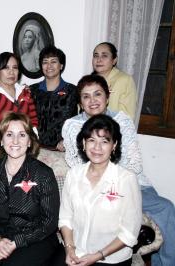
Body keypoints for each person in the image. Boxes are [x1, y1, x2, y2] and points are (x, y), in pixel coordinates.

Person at [62, 74, 175, 266]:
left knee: (167, 208)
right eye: (86, 96)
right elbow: (74, 161)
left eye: (98, 94)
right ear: (80, 102)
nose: (93, 101)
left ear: (107, 96)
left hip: (132, 182)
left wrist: (111, 175)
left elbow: (135, 163)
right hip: (90, 180)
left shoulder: (122, 121)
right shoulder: (72, 125)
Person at [0, 112, 61, 266]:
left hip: (35, 238)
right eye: (9, 134)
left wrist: (16, 242)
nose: (15, 141)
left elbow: (49, 222)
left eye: (22, 135)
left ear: (29, 141)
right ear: (1, 141)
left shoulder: (43, 174)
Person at [60, 114, 142, 266]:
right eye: (91, 140)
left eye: (104, 141)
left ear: (114, 145)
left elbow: (130, 233)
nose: (97, 147)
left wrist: (97, 256)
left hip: (111, 259)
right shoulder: (74, 174)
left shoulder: (126, 179)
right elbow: (65, 218)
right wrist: (69, 249)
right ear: (84, 143)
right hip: (75, 254)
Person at [0, 52, 38, 140]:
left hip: (26, 143)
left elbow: (33, 121)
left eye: (15, 67)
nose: (11, 72)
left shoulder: (25, 92)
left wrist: (31, 139)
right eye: (6, 68)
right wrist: (10, 141)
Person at [30, 46, 78, 151]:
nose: (49, 66)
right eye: (45, 62)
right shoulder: (32, 90)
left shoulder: (73, 91)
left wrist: (68, 140)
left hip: (62, 149)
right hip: (35, 148)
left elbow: (77, 121)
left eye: (53, 61)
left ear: (61, 65)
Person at [92, 42, 137, 120]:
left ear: (114, 60)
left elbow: (127, 117)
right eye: (96, 56)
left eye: (104, 56)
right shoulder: (88, 82)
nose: (99, 60)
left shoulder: (124, 80)